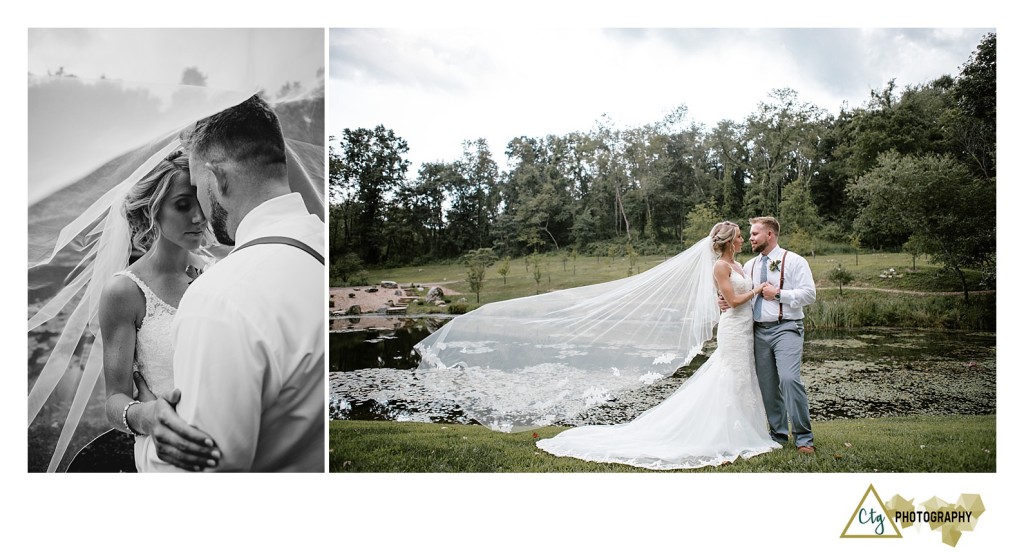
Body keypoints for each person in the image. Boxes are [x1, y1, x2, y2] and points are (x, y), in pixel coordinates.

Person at [136, 95, 325, 472]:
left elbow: (205, 470)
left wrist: (145, 441)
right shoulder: (321, 241)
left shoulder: (220, 297)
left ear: (217, 178)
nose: (200, 214)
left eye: (196, 187)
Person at [535, 222, 781, 469]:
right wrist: (757, 290)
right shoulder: (719, 266)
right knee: (730, 377)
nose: (742, 240)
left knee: (742, 378)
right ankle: (724, 432)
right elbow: (734, 300)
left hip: (745, 330)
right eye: (739, 237)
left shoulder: (739, 265)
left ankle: (744, 430)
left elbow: (730, 297)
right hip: (732, 330)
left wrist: (738, 296)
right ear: (729, 242)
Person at [97, 151, 223, 472]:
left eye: (201, 202)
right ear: (153, 210)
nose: (199, 217)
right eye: (182, 205)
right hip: (164, 453)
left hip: (228, 435)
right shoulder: (125, 292)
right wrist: (148, 415)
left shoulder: (218, 275)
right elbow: (114, 400)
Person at [739, 216, 816, 454]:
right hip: (758, 331)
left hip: (788, 327)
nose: (750, 238)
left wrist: (779, 294)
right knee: (768, 386)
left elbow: (809, 295)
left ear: (769, 235)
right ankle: (779, 435)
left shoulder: (794, 261)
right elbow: (743, 296)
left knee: (789, 379)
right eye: (750, 234)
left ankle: (804, 438)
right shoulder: (748, 266)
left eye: (754, 234)